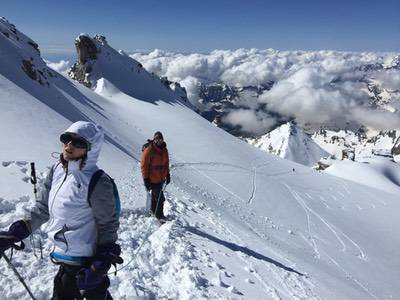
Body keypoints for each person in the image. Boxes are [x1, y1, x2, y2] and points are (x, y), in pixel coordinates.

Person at [0, 121, 121, 300]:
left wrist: (100, 262)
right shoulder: (57, 170)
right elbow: (42, 208)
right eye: (66, 138)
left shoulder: (97, 180)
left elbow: (107, 225)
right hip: (66, 261)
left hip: (88, 266)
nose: (69, 145)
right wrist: (17, 232)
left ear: (90, 149)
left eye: (78, 142)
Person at [141, 131, 170, 220]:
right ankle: (159, 216)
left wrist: (167, 174)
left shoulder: (164, 150)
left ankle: (153, 212)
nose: (160, 141)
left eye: (161, 139)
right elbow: (144, 165)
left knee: (155, 197)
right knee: (160, 198)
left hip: (160, 178)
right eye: (158, 139)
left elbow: (166, 163)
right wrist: (146, 179)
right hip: (152, 178)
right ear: (155, 140)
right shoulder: (150, 150)